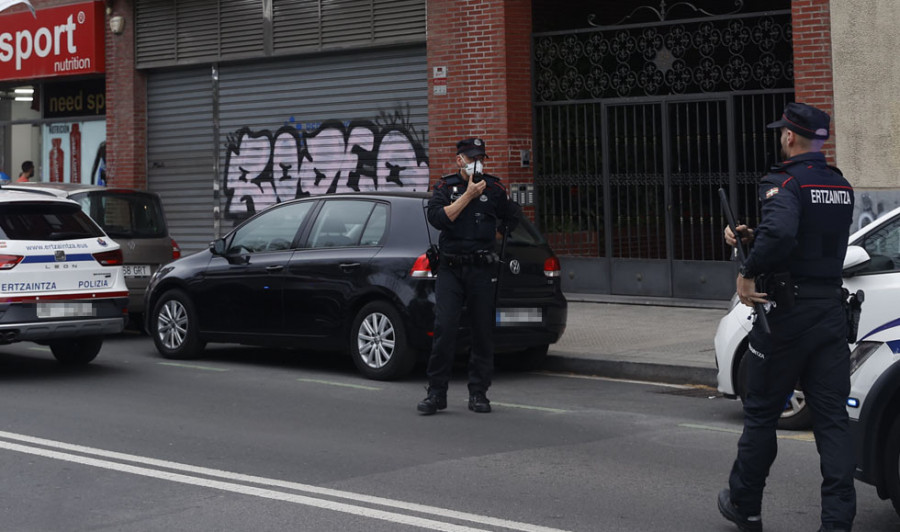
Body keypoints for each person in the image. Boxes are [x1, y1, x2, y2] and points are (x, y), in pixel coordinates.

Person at [717, 102, 856, 532]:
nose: (780, 137)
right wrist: (754, 236)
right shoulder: (840, 185)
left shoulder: (784, 180)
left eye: (782, 132)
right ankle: (837, 523)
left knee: (760, 412)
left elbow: (782, 233)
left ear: (791, 137)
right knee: (832, 419)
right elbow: (808, 238)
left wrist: (747, 270)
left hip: (788, 315)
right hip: (830, 312)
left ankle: (746, 505)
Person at [417, 137, 521, 415]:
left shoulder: (495, 188)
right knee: (445, 329)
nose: (478, 163)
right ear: (459, 160)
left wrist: (493, 238)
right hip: (451, 268)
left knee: (482, 332)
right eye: (472, 157)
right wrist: (469, 196)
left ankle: (479, 393)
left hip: (481, 268)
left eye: (481, 158)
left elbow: (513, 218)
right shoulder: (444, 187)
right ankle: (436, 393)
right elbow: (439, 218)